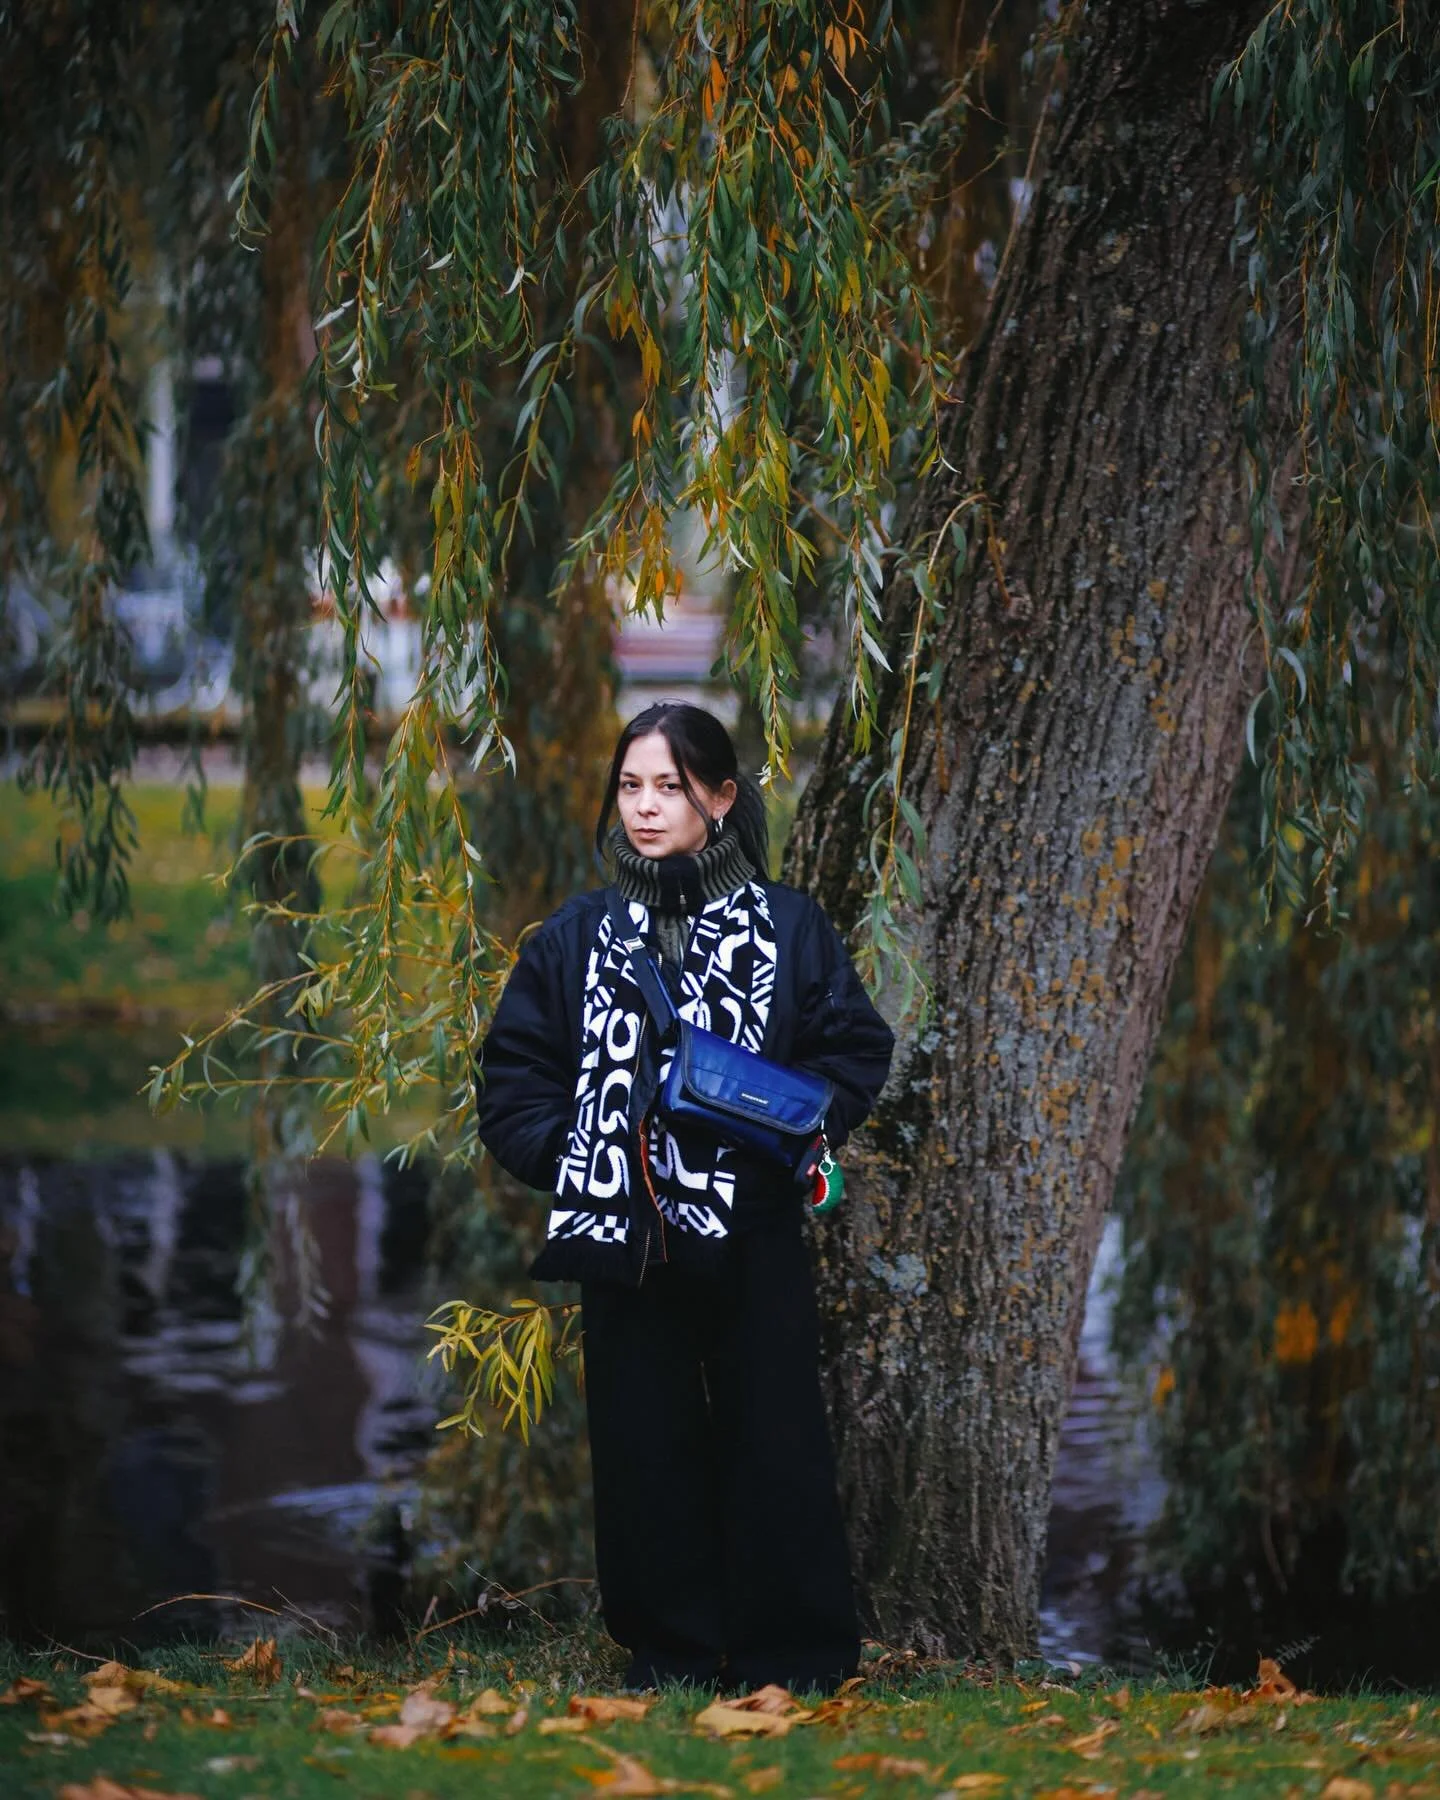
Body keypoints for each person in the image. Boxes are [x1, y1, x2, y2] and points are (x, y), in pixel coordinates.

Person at [474, 701, 894, 1694]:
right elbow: (512, 1082)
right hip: (623, 1232)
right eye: (630, 786)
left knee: (775, 1437)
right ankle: (668, 1655)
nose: (646, 808)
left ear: (720, 798)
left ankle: (793, 1656)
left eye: (669, 786)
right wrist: (584, 1153)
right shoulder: (575, 937)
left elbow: (853, 1050)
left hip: (753, 1230)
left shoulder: (790, 928)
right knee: (643, 1446)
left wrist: (788, 1139)